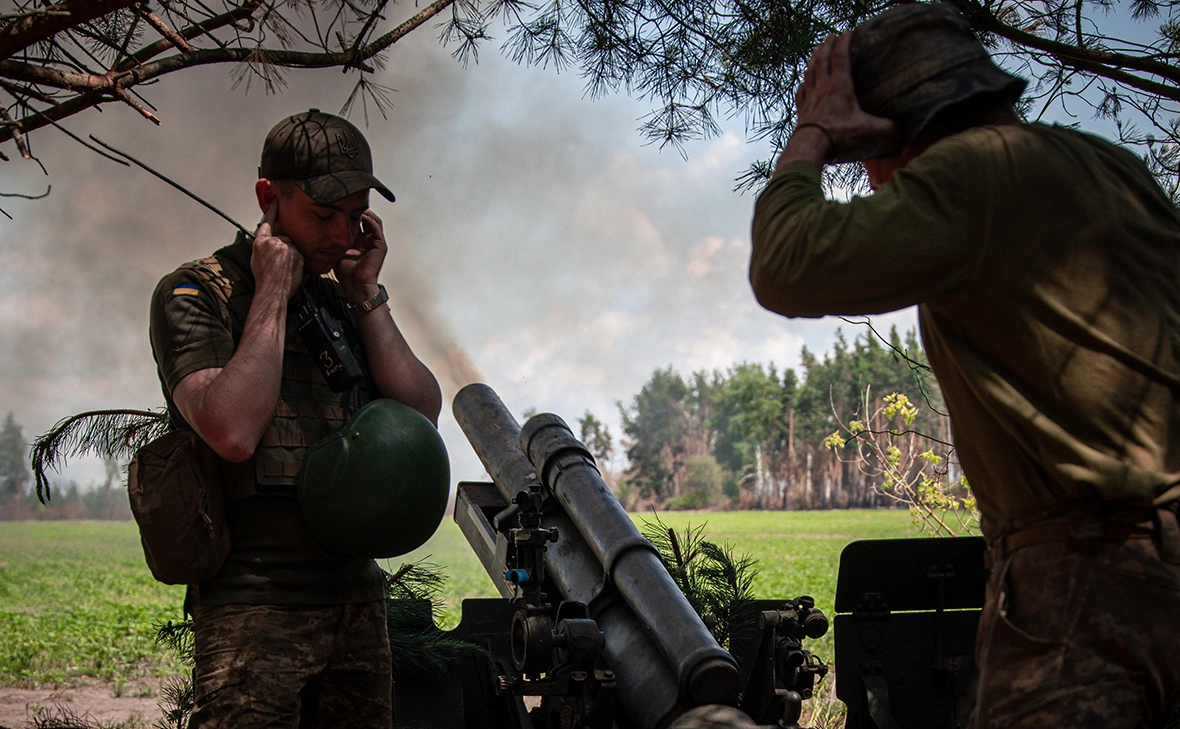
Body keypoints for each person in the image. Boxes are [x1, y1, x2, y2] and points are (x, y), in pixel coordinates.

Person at [749, 5, 1180, 728]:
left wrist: (815, 135)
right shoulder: (1114, 168)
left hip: (1080, 579)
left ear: (888, 137)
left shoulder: (968, 175)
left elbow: (785, 265)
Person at [149, 109, 442, 727]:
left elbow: (420, 413)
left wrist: (365, 293)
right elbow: (230, 430)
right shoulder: (197, 294)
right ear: (268, 198)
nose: (341, 234)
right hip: (256, 604)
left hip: (354, 598)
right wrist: (272, 294)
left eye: (355, 215)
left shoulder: (343, 301)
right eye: (324, 215)